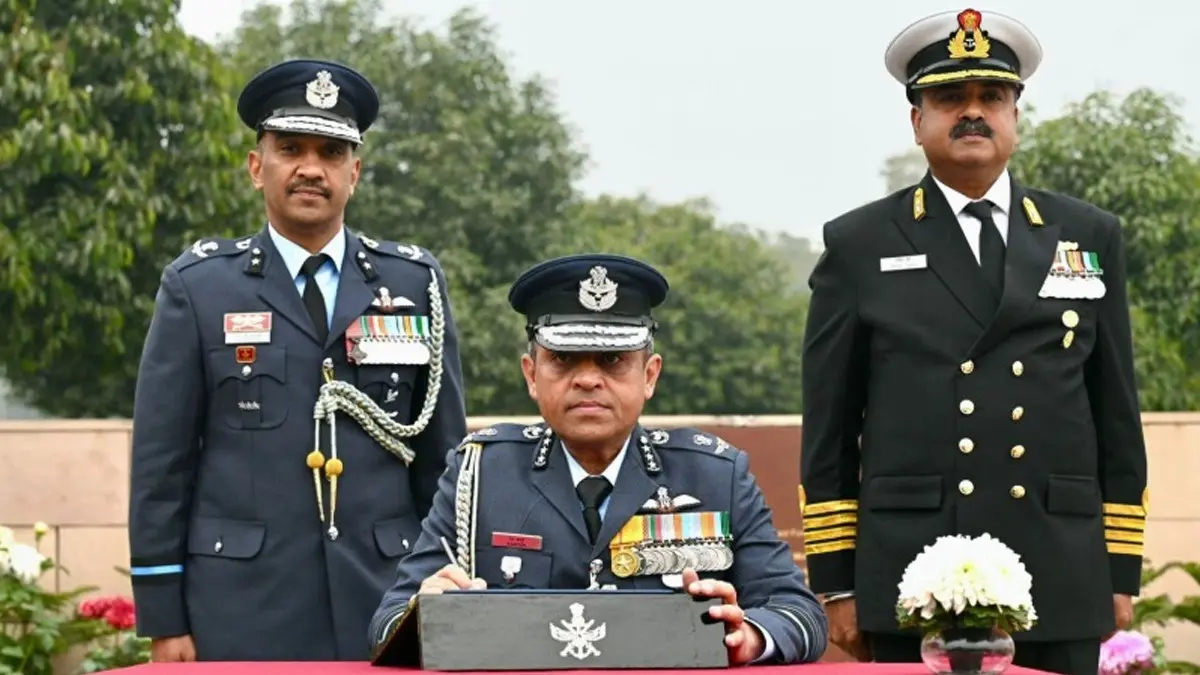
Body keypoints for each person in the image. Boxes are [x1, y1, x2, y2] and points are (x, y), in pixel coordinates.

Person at [798, 8, 1149, 675]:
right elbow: (831, 429)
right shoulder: (861, 243)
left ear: (1016, 116)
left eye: (992, 97)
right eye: (950, 98)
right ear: (917, 121)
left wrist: (1120, 565)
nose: (973, 113)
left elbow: (1116, 414)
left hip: (1061, 567)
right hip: (914, 573)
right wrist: (838, 582)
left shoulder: (1085, 234)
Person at [126, 59, 467, 662]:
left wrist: (449, 586)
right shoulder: (198, 287)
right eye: (291, 148)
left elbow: (443, 461)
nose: (312, 168)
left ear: (354, 173)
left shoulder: (414, 281)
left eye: (332, 153)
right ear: (258, 168)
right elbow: (162, 466)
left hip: (387, 593)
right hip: (239, 604)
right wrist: (163, 615)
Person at [368, 253, 829, 665]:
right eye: (564, 360)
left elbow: (799, 613)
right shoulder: (480, 474)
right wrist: (424, 614)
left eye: (611, 360)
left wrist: (748, 635)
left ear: (649, 376)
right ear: (532, 375)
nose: (587, 380)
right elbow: (388, 622)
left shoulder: (716, 475)